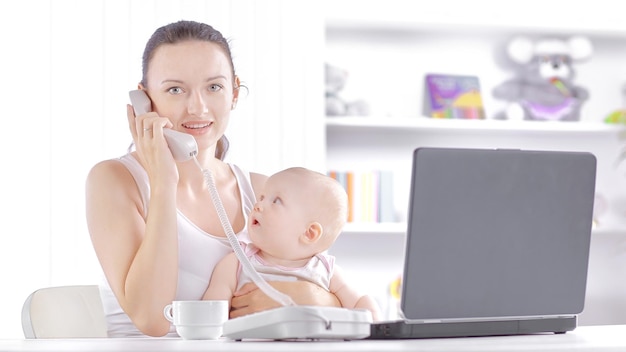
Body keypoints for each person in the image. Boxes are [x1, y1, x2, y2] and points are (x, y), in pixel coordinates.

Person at [85, 20, 339, 338]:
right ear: (145, 100)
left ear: (234, 91)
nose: (198, 107)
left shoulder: (263, 192)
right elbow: (152, 319)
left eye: (214, 87)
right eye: (175, 89)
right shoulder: (115, 181)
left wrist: (316, 299)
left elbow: (329, 282)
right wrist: (164, 181)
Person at [202, 167, 381, 321]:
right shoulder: (236, 263)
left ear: (309, 233)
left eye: (276, 201)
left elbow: (359, 304)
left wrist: (376, 324)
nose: (258, 205)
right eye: (262, 197)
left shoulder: (326, 271)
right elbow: (209, 314)